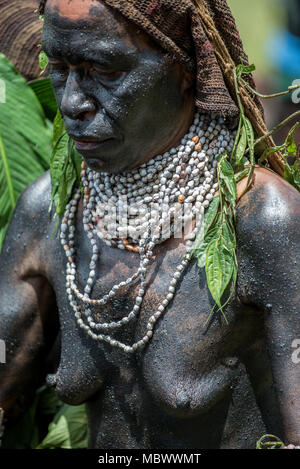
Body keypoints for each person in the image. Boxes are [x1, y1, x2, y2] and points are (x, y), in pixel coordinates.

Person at [0, 0, 299, 449]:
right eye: (59, 68)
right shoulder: (50, 209)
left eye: (104, 71)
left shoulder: (261, 220)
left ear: (185, 69)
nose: (71, 102)